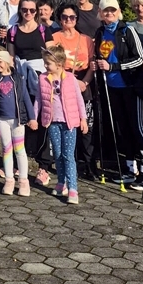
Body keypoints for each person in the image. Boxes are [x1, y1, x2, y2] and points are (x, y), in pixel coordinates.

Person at [92, 0, 143, 184]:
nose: (109, 13)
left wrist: (113, 67)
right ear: (100, 13)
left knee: (137, 129)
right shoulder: (100, 33)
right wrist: (96, 64)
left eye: (112, 10)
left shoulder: (127, 30)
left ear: (118, 12)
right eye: (105, 10)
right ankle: (130, 170)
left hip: (130, 86)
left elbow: (139, 58)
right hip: (111, 88)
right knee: (122, 129)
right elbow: (100, 57)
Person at [7, 0, 55, 185]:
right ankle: (20, 162)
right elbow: (11, 58)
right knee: (22, 119)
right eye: (24, 9)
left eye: (32, 10)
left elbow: (52, 56)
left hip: (41, 80)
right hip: (21, 79)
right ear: (20, 10)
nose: (28, 13)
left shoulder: (44, 30)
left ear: (36, 12)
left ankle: (44, 166)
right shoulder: (13, 31)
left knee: (43, 120)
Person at [36, 45, 88, 205]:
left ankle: (73, 188)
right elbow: (39, 99)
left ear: (59, 64)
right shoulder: (43, 78)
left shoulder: (70, 78)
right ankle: (61, 182)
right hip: (52, 122)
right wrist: (33, 117)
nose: (45, 66)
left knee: (68, 155)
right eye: (45, 63)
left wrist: (83, 119)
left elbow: (79, 99)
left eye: (48, 63)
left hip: (69, 123)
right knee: (57, 155)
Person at [52, 4, 96, 180]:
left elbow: (92, 64)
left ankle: (89, 163)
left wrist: (85, 82)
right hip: (63, 83)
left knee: (87, 125)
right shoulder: (54, 38)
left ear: (76, 19)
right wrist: (71, 81)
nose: (68, 20)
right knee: (68, 124)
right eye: (64, 17)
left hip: (84, 83)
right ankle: (71, 162)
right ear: (59, 19)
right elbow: (53, 62)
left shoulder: (86, 39)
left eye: (72, 17)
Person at [0, 48, 36, 196]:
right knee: (6, 149)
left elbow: (26, 98)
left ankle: (23, 181)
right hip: (2, 120)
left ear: (7, 62)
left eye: (0, 62)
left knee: (19, 150)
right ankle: (9, 180)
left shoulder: (18, 78)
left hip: (17, 120)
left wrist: (32, 118)